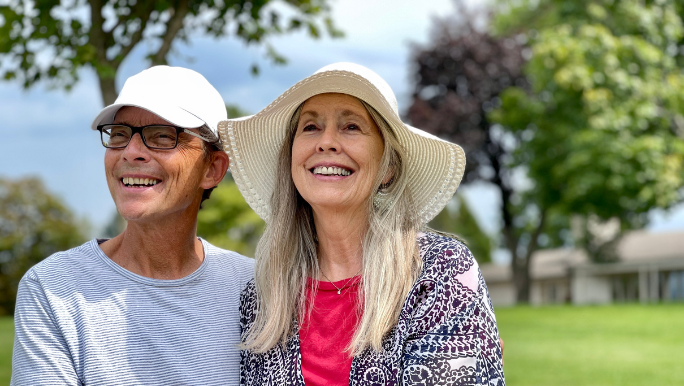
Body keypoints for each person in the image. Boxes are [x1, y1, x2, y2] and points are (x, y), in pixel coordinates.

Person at [221, 62, 505, 385]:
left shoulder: (439, 272)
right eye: (310, 127)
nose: (326, 142)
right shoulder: (263, 296)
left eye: (351, 127)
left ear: (388, 169)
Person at [11, 66, 254, 385]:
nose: (131, 152)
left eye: (163, 136)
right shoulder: (53, 289)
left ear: (213, 168)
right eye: (119, 135)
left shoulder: (254, 287)